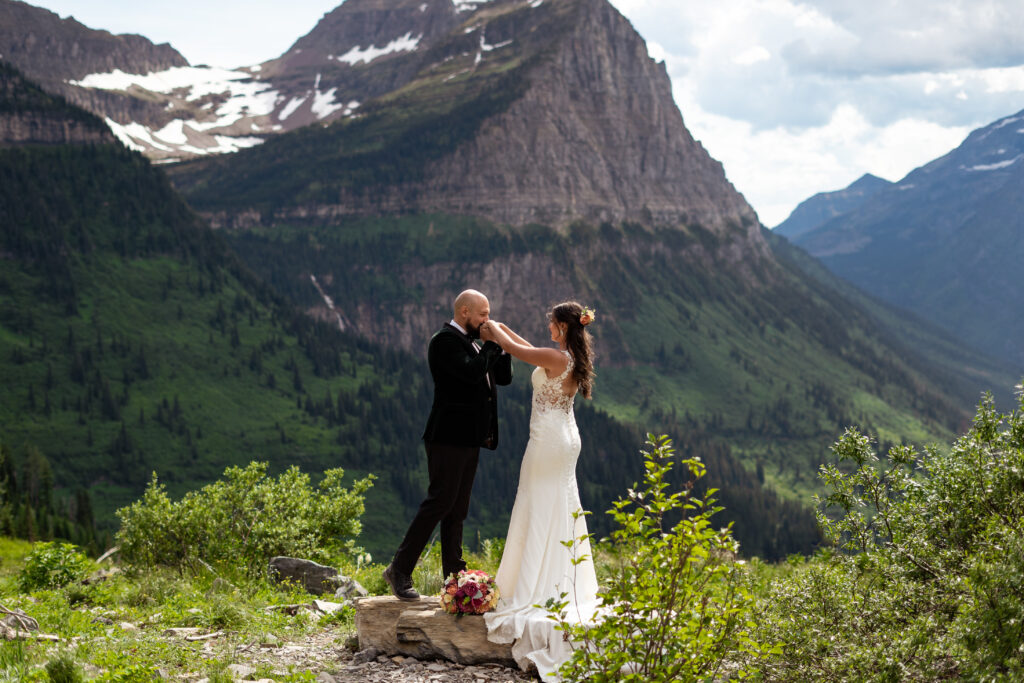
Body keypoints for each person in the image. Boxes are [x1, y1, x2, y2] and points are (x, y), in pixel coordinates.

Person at [481, 301, 598, 679]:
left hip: (547, 442)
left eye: (551, 321)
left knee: (535, 502)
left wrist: (491, 329)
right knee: (560, 505)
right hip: (566, 440)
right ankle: (561, 579)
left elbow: (517, 351)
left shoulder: (554, 355)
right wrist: (502, 325)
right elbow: (528, 348)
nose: (547, 325)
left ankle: (534, 584)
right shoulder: (567, 357)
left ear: (562, 326)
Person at [383, 289, 513, 600]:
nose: (487, 320)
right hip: (447, 437)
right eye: (483, 314)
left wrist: (502, 347)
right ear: (465, 312)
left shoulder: (476, 344)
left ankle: (453, 579)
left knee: (457, 510)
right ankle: (399, 569)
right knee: (439, 501)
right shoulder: (444, 341)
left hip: (469, 439)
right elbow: (470, 374)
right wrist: (491, 345)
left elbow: (503, 378)